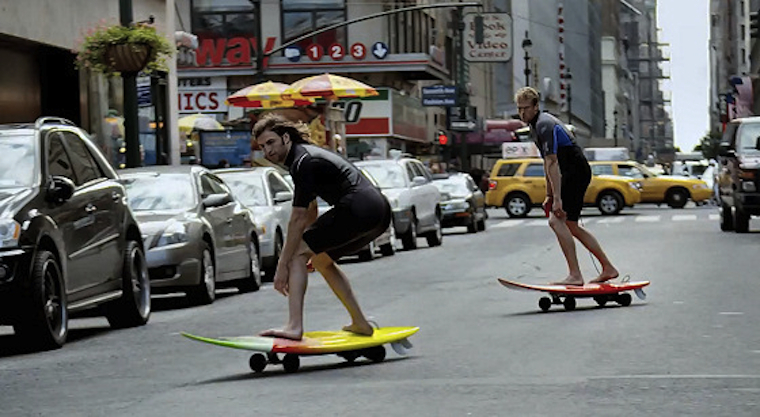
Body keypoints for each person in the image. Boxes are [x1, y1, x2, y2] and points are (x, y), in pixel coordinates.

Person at [252, 114, 391, 340]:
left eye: (271, 143)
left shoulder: (302, 161)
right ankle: (360, 323)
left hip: (359, 207)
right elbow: (310, 211)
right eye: (262, 147)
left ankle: (294, 326)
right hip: (378, 212)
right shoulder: (305, 157)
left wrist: (283, 265)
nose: (268, 151)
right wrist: (310, 247)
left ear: (286, 138)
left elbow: (297, 218)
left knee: (296, 253)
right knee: (320, 260)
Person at [514, 87, 618, 285]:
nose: (521, 113)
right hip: (571, 171)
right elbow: (547, 163)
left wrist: (558, 199)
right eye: (519, 109)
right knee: (570, 225)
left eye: (525, 108)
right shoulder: (535, 126)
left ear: (536, 106)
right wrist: (549, 195)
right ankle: (608, 268)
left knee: (556, 221)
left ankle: (575, 275)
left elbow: (553, 162)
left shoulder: (544, 124)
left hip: (575, 171)